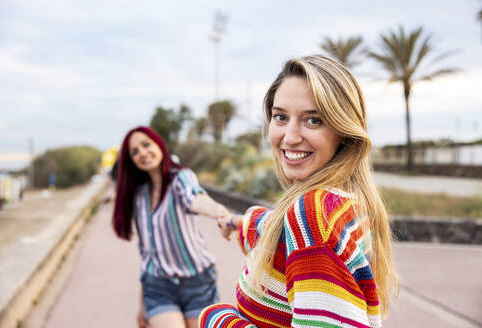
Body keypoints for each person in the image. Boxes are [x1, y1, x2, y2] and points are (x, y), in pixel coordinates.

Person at [200, 55, 398, 328]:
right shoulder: (344, 203)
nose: (290, 137)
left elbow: (306, 234)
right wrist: (238, 222)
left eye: (313, 120)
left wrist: (219, 320)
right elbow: (273, 229)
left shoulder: (313, 216)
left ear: (344, 131)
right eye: (280, 117)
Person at [112, 126, 230, 328]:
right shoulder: (139, 196)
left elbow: (195, 198)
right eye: (134, 151)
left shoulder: (180, 178)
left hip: (198, 283)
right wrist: (142, 305)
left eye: (145, 144)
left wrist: (220, 212)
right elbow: (147, 254)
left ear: (158, 144)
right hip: (158, 288)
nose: (142, 153)